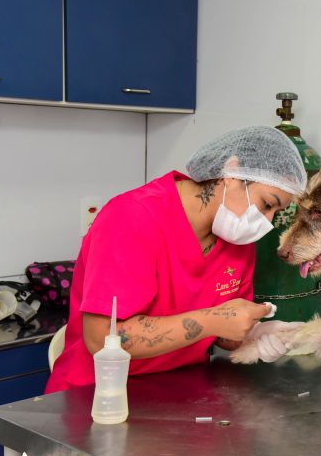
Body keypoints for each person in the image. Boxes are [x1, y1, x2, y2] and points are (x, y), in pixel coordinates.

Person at [46, 126, 306, 393]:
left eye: (277, 211)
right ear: (231, 173)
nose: (267, 221)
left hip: (179, 395)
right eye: (266, 204)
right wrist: (212, 319)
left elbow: (221, 330)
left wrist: (253, 335)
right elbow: (102, 339)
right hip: (99, 396)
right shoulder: (132, 217)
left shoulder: (236, 240)